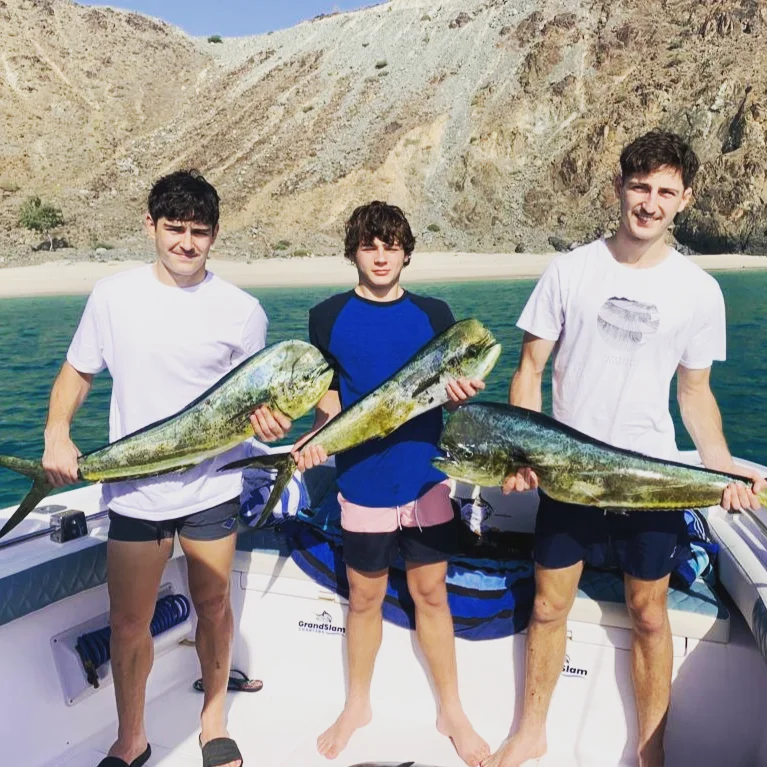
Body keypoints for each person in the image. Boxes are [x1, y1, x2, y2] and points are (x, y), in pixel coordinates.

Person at [485, 130, 766, 767]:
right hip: (568, 475)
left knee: (649, 612)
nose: (650, 202)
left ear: (685, 199)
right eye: (640, 187)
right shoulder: (569, 270)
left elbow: (695, 394)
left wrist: (722, 470)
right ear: (618, 187)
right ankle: (531, 731)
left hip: (649, 480)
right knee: (549, 604)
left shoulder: (700, 290)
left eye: (666, 191)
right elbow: (529, 370)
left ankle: (650, 749)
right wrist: (524, 454)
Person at [42, 170, 290, 767]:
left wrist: (270, 425)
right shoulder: (112, 296)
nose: (186, 242)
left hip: (213, 487)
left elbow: (258, 401)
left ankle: (212, 722)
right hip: (135, 493)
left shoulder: (243, 311)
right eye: (174, 228)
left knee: (214, 605)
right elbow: (78, 371)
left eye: (199, 232)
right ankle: (132, 739)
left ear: (215, 235)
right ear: (150, 225)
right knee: (129, 621)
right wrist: (56, 432)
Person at [292, 201, 490, 766]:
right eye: (369, 246)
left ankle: (451, 709)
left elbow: (450, 390)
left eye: (391, 246)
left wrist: (461, 395)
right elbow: (329, 399)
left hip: (426, 477)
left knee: (432, 594)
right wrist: (316, 439)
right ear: (353, 252)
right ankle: (357, 704)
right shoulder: (327, 316)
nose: (380, 256)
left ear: (406, 253)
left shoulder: (435, 313)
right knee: (364, 598)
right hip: (362, 482)